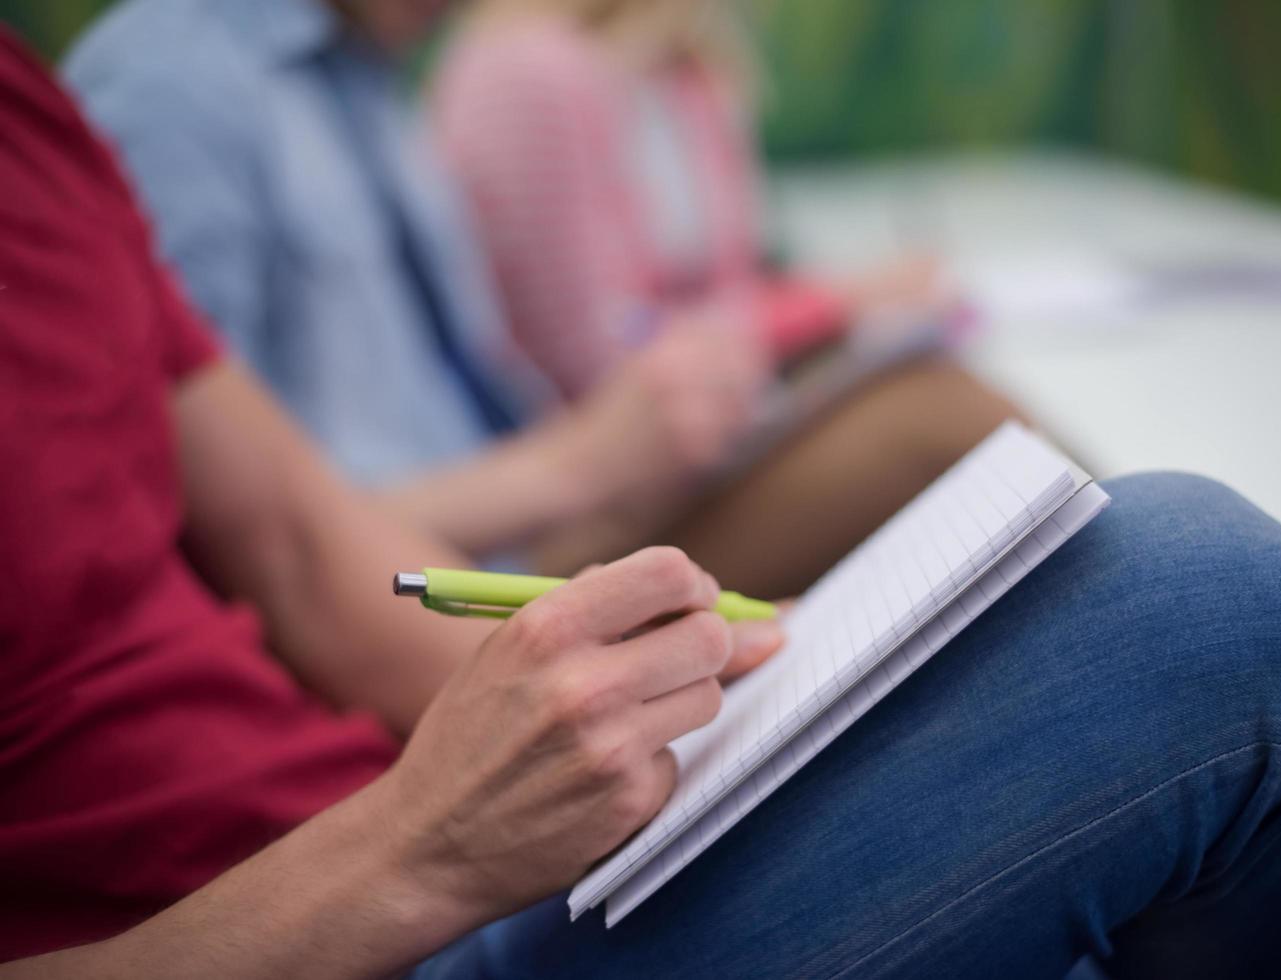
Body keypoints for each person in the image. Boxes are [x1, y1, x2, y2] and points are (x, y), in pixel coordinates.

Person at [0, 30, 1281, 979]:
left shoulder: (43, 113)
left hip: (404, 806)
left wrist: (785, 669)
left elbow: (306, 551)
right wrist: (416, 846)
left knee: (1076, 574)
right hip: (346, 907)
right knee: (1220, 605)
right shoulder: (208, 84)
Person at [63, 0, 1020, 599]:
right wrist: (581, 462)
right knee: (935, 426)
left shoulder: (369, 80)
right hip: (431, 591)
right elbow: (211, 534)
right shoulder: (174, 86)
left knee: (938, 441)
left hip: (528, 530)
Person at [431, 0, 951, 400]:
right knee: (933, 416)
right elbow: (603, 355)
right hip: (610, 461)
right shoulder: (528, 74)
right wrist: (830, 307)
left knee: (929, 385)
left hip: (711, 414)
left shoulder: (692, 79)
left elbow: (729, 291)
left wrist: (843, 312)